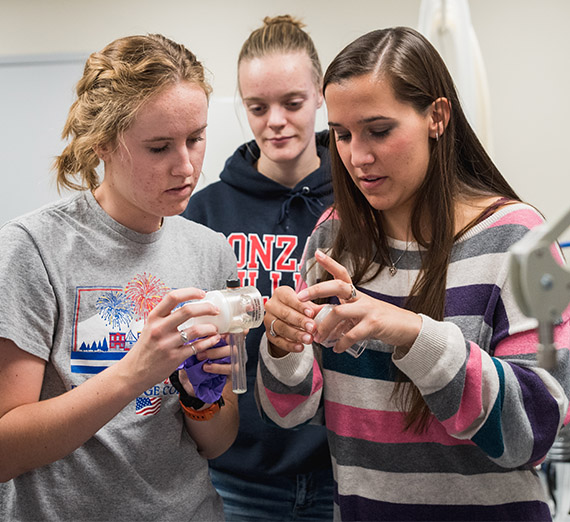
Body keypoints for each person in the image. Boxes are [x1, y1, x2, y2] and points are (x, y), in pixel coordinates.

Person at [256, 26, 570, 521]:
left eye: (379, 131)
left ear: (437, 117)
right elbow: (289, 412)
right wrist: (281, 345)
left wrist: (414, 334)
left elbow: (534, 432)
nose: (357, 157)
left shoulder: (519, 239)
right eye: (342, 135)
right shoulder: (332, 237)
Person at [0, 34, 240, 521]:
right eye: (159, 147)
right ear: (103, 144)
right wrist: (136, 372)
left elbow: (218, 443)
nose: (186, 166)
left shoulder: (211, 253)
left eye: (196, 138)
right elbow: (5, 452)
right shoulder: (32, 248)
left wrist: (199, 398)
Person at [182, 14, 334, 521]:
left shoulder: (359, 202)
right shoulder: (205, 212)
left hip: (340, 465)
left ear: (320, 94)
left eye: (292, 103)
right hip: (237, 469)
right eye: (257, 107)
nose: (276, 121)